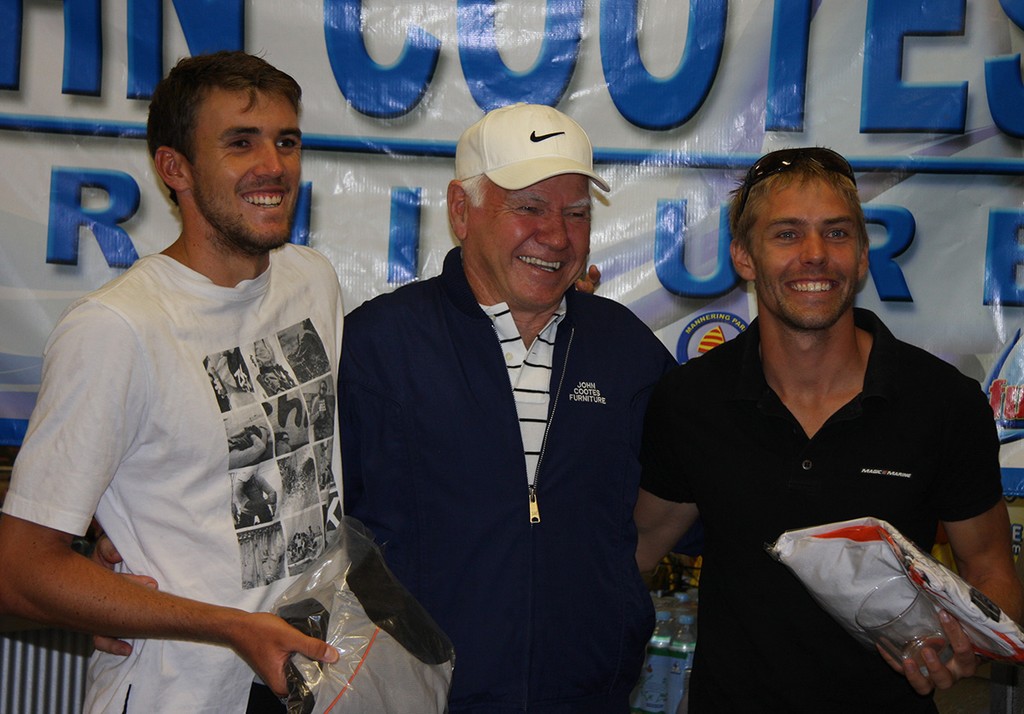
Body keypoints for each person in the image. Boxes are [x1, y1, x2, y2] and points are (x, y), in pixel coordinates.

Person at [0, 51, 344, 713]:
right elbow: (21, 570)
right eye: (240, 143)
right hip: (178, 693)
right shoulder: (116, 328)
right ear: (174, 169)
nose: (273, 165)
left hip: (306, 683)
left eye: (286, 140)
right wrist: (230, 626)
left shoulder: (312, 281)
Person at [634, 147, 1024, 712]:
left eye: (837, 234)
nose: (815, 256)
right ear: (744, 255)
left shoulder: (942, 401)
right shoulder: (692, 400)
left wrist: (972, 642)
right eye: (787, 234)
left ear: (863, 256)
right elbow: (638, 551)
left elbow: (991, 569)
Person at [339, 102, 677, 712]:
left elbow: (701, 482)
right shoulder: (377, 345)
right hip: (414, 699)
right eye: (528, 208)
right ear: (460, 211)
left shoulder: (625, 349)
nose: (556, 234)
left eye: (576, 213)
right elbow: (299, 514)